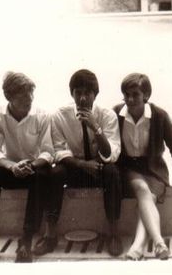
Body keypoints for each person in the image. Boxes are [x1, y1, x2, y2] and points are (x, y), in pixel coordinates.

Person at [34, 69, 123, 257]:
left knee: (113, 172)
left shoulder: (107, 115)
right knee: (55, 173)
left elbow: (111, 154)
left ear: (95, 94)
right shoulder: (60, 115)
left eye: (87, 93)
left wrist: (95, 128)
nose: (82, 98)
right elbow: (58, 150)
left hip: (99, 166)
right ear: (71, 94)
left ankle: (114, 233)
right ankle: (50, 235)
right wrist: (82, 165)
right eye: (78, 93)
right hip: (75, 167)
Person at [113, 73, 172, 261]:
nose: (130, 99)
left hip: (153, 168)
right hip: (128, 167)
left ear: (146, 95)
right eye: (126, 95)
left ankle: (138, 246)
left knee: (148, 196)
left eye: (135, 94)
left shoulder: (159, 116)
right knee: (142, 189)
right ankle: (159, 242)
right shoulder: (116, 113)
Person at [0, 72, 54, 263]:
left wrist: (30, 164)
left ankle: (26, 240)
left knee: (42, 175)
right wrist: (12, 167)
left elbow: (48, 152)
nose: (29, 99)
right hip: (10, 169)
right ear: (8, 97)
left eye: (30, 94)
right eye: (22, 95)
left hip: (33, 169)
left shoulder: (42, 115)